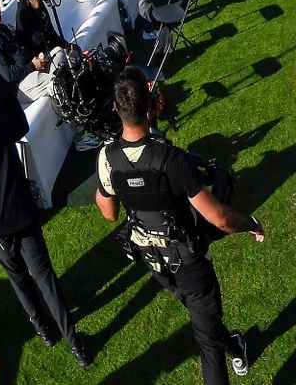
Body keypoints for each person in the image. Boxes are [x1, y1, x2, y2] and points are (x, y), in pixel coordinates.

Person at [94, 68, 260, 383]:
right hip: (187, 260)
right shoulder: (171, 160)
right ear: (151, 106)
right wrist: (251, 223)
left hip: (153, 260)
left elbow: (108, 212)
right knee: (207, 342)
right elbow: (218, 217)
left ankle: (237, 349)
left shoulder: (107, 158)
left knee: (203, 320)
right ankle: (232, 352)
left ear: (117, 109)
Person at [0, 46, 91, 367]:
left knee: (18, 277)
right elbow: (20, 127)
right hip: (15, 197)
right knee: (43, 274)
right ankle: (75, 343)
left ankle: (44, 330)